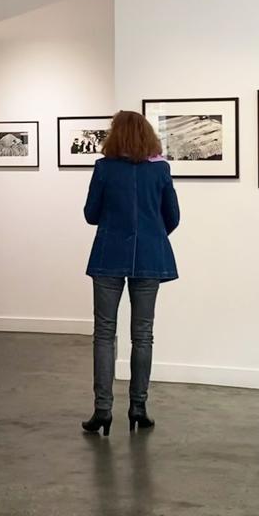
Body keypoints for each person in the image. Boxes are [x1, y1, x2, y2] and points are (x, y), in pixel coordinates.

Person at [81, 110, 180, 436]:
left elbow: (91, 214)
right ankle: (138, 407)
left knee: (104, 335)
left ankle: (103, 411)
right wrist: (151, 231)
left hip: (109, 255)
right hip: (150, 257)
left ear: (116, 135)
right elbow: (173, 217)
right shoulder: (161, 170)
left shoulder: (104, 169)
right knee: (143, 335)